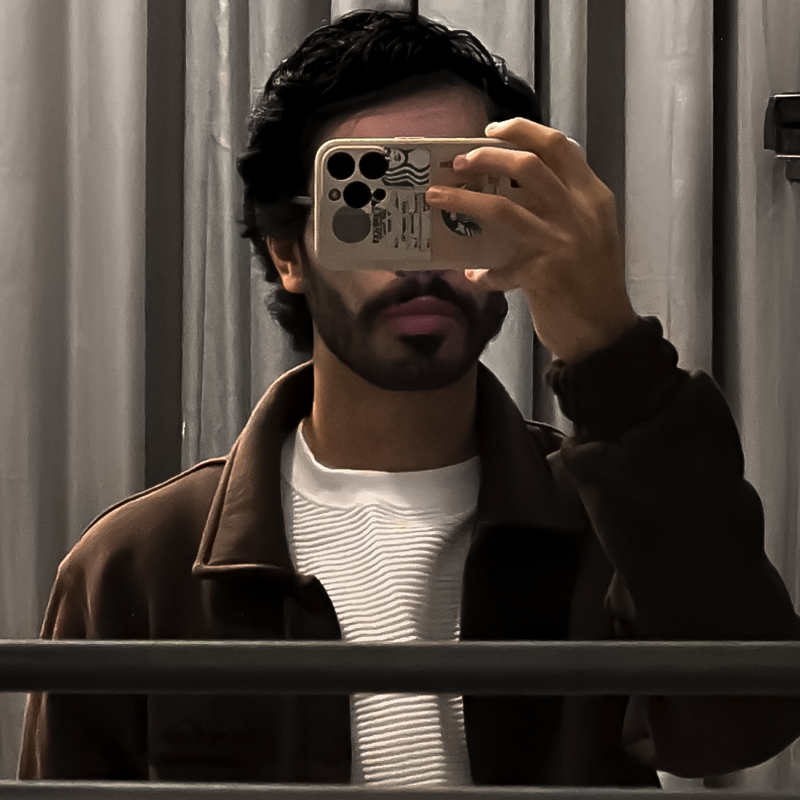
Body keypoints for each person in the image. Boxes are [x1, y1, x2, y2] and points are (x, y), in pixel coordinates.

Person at [18, 9, 800, 787]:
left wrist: (608, 345)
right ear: (289, 253)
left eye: (461, 206)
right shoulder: (133, 567)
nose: (421, 258)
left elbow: (742, 721)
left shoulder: (611, 528)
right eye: (370, 202)